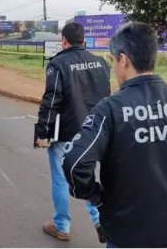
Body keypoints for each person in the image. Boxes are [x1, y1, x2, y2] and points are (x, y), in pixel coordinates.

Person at [62, 22, 167, 248]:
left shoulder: (110, 110)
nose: (114, 68)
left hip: (126, 234)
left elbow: (74, 162)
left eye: (113, 60)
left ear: (123, 59)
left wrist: (96, 196)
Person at [35, 22, 110, 243]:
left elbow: (51, 102)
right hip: (96, 133)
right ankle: (101, 220)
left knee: (60, 179)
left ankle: (62, 227)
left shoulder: (57, 64)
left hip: (66, 133)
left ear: (64, 41)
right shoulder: (101, 63)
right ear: (84, 41)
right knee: (88, 176)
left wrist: (42, 133)